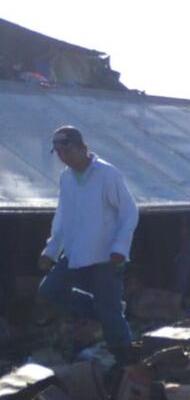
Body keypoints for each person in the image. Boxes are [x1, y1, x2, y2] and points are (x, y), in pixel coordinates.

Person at [38, 126, 139, 361]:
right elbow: (62, 216)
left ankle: (125, 361)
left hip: (106, 255)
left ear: (83, 148)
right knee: (50, 290)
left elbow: (129, 212)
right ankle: (107, 309)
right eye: (60, 152)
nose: (64, 156)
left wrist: (120, 248)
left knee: (110, 314)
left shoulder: (106, 174)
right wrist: (51, 250)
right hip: (75, 251)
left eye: (68, 150)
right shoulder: (66, 178)